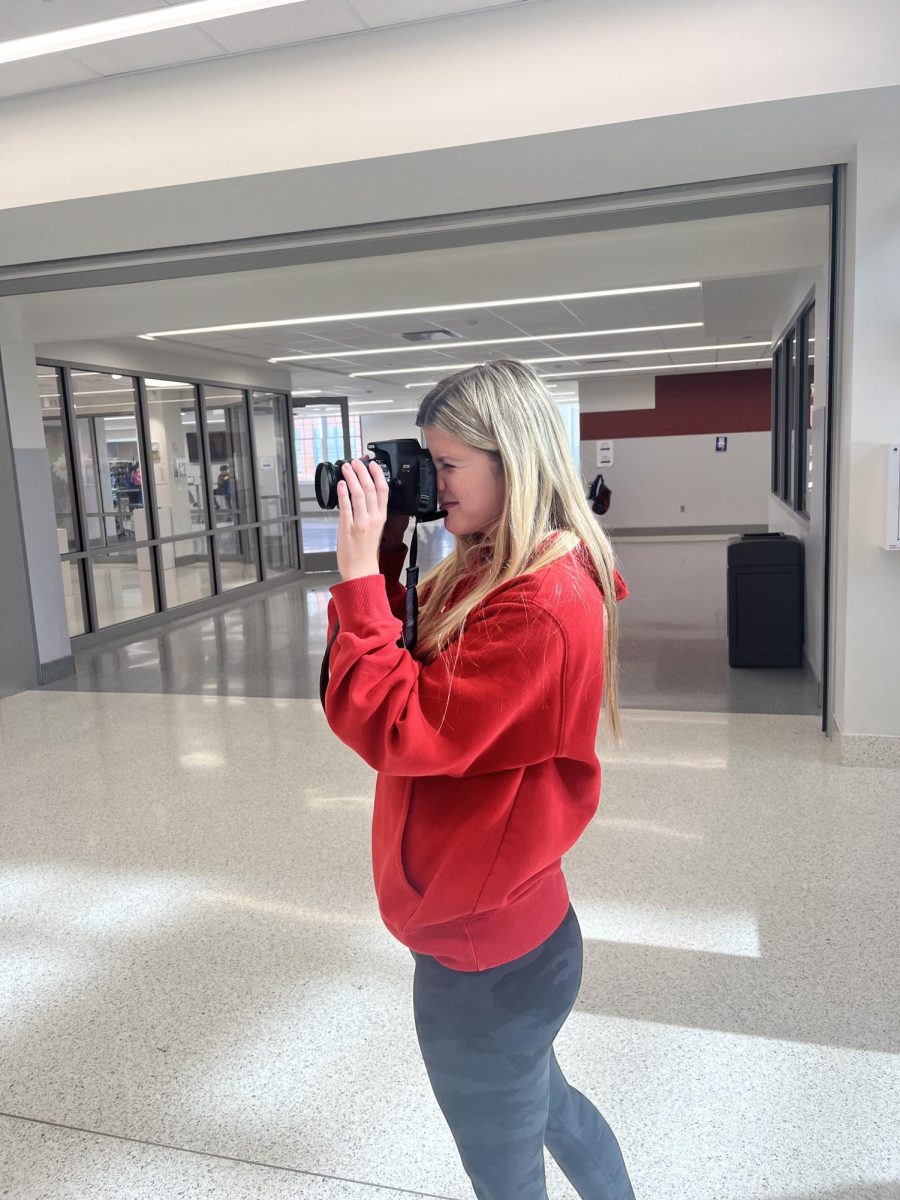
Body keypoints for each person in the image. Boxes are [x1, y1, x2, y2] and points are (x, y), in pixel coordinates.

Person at [323, 359, 635, 1199]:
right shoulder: (500, 566)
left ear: (514, 460)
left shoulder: (535, 601)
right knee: (549, 1110)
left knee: (504, 1171)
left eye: (448, 465)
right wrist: (389, 548)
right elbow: (393, 674)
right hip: (511, 933)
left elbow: (393, 724)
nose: (434, 483)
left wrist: (357, 574)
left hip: (485, 959)